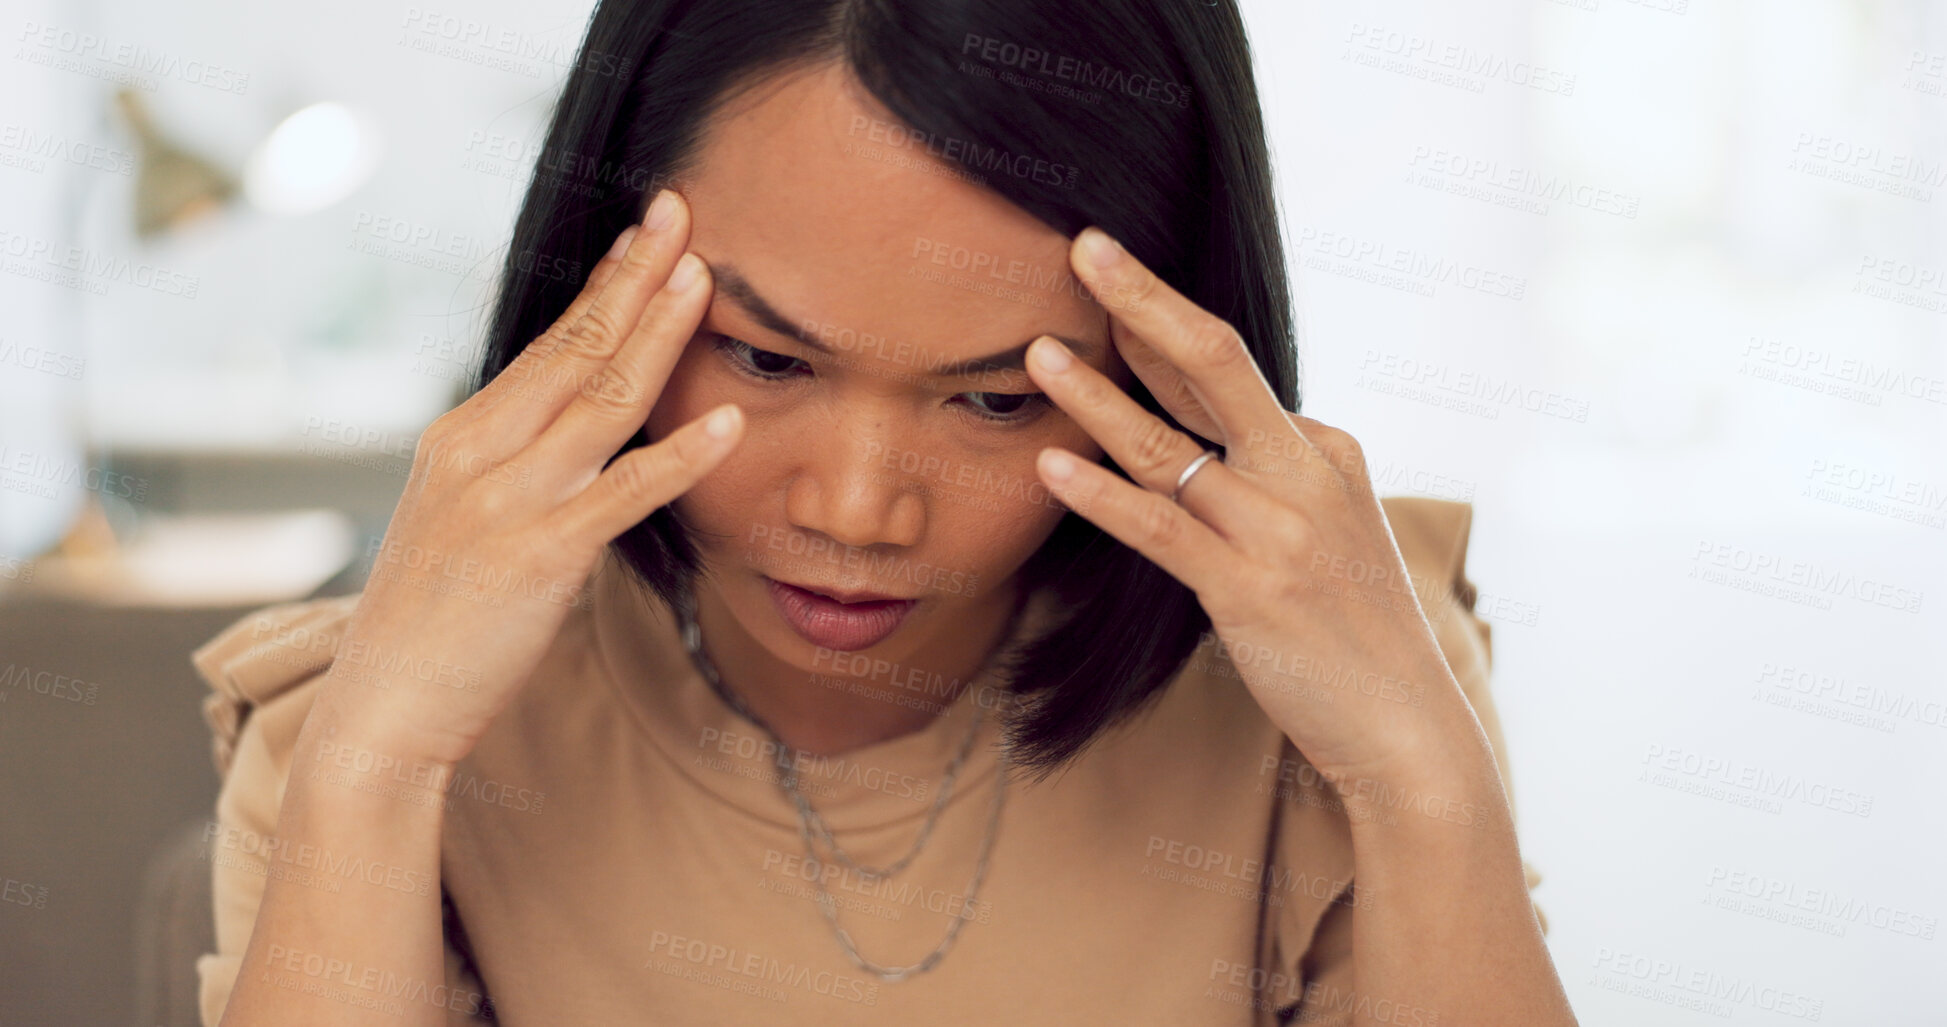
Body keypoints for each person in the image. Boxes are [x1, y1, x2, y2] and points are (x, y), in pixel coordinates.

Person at [192, 1, 1574, 1024]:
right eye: (768, 358)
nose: (858, 513)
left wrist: (1418, 777)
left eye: (996, 401)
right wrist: (375, 766)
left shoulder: (1336, 688)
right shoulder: (366, 727)